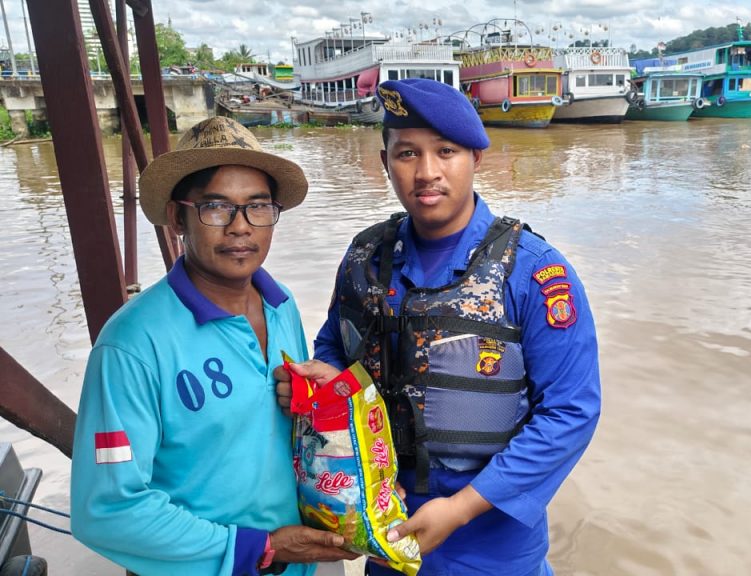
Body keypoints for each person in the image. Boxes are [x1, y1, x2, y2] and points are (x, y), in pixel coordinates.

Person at [278, 78, 602, 575]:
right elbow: (336, 345)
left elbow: (570, 411)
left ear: (477, 158)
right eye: (407, 154)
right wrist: (320, 378)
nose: (427, 172)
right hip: (385, 532)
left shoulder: (534, 273)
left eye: (445, 151)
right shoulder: (365, 259)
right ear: (385, 163)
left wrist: (462, 508)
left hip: (492, 547)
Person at [70, 116, 359, 576]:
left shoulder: (280, 305)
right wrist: (262, 548)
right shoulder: (132, 345)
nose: (241, 227)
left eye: (258, 207)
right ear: (176, 218)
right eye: (216, 208)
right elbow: (106, 510)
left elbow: (288, 441)